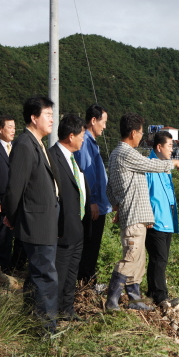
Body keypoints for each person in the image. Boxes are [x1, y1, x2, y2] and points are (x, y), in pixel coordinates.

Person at [105, 113, 179, 311]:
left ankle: (135, 300)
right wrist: (172, 164)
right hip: (134, 215)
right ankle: (112, 300)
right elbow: (149, 165)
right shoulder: (126, 153)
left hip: (136, 214)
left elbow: (110, 187)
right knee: (131, 257)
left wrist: (116, 204)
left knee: (139, 261)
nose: (142, 136)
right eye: (141, 132)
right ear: (133, 133)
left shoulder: (119, 153)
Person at [2, 96, 60, 334]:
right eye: (48, 115)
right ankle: (45, 330)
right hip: (36, 223)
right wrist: (12, 218)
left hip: (44, 221)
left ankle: (29, 323)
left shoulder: (37, 143)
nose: (52, 120)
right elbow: (15, 187)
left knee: (37, 277)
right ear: (33, 117)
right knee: (46, 277)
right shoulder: (25, 144)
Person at [49, 114, 91, 321]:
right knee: (59, 273)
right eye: (82, 135)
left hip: (77, 227)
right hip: (62, 227)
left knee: (71, 274)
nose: (83, 139)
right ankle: (53, 315)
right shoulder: (52, 157)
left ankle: (67, 310)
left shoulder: (72, 159)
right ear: (71, 135)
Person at [0, 115, 27, 273]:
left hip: (20, 199)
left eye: (14, 127)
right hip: (2, 200)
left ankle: (18, 265)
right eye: (10, 127)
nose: (13, 130)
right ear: (0, 129)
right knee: (4, 235)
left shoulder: (18, 147)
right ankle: (3, 267)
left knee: (21, 234)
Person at [73, 104, 112, 284]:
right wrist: (93, 201)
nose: (105, 126)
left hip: (98, 203)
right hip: (93, 205)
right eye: (103, 122)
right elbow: (87, 175)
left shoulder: (91, 143)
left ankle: (88, 279)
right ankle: (85, 281)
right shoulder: (86, 143)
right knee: (89, 245)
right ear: (93, 120)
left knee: (92, 246)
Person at [145, 131, 179, 310]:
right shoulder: (150, 166)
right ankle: (161, 296)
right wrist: (148, 216)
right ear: (159, 147)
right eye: (170, 146)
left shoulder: (164, 167)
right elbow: (145, 193)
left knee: (160, 259)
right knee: (159, 259)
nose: (171, 150)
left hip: (167, 220)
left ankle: (153, 293)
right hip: (156, 220)